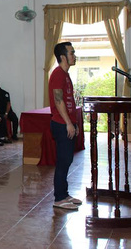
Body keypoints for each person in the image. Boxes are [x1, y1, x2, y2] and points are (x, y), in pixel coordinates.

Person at [49, 42, 82, 211]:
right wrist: (68, 123)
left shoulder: (65, 74)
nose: (74, 55)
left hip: (67, 123)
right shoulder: (58, 74)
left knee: (67, 159)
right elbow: (58, 100)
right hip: (61, 124)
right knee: (63, 161)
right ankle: (59, 198)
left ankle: (65, 193)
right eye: (72, 53)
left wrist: (74, 122)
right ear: (63, 57)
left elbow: (69, 102)